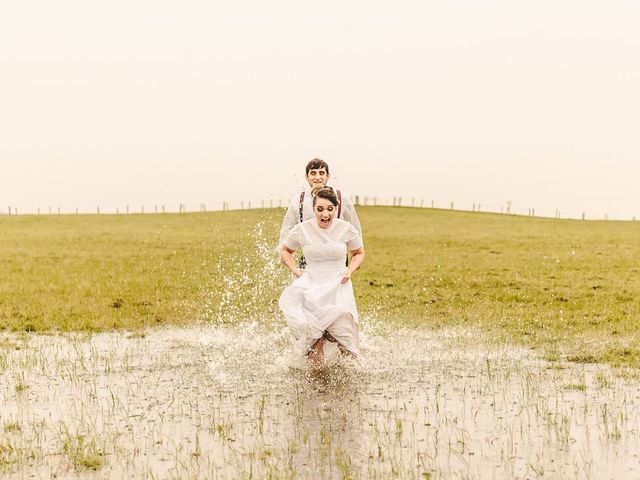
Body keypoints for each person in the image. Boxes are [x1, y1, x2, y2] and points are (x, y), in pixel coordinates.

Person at [278, 187, 365, 368]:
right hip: (313, 286)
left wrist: (350, 270)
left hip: (339, 285)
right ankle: (315, 377)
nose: (325, 214)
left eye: (329, 209)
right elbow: (285, 250)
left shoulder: (346, 229)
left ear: (335, 208)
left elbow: (358, 253)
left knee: (342, 333)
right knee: (316, 333)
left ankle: (347, 374)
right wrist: (295, 270)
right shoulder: (302, 229)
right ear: (314, 209)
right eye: (320, 209)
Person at [278, 159, 362, 248]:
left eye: (321, 173)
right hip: (309, 257)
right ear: (306, 177)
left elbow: (355, 229)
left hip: (338, 257)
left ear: (328, 176)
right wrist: (283, 252)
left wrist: (357, 253)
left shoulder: (342, 198)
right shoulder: (298, 200)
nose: (317, 177)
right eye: (313, 173)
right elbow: (287, 229)